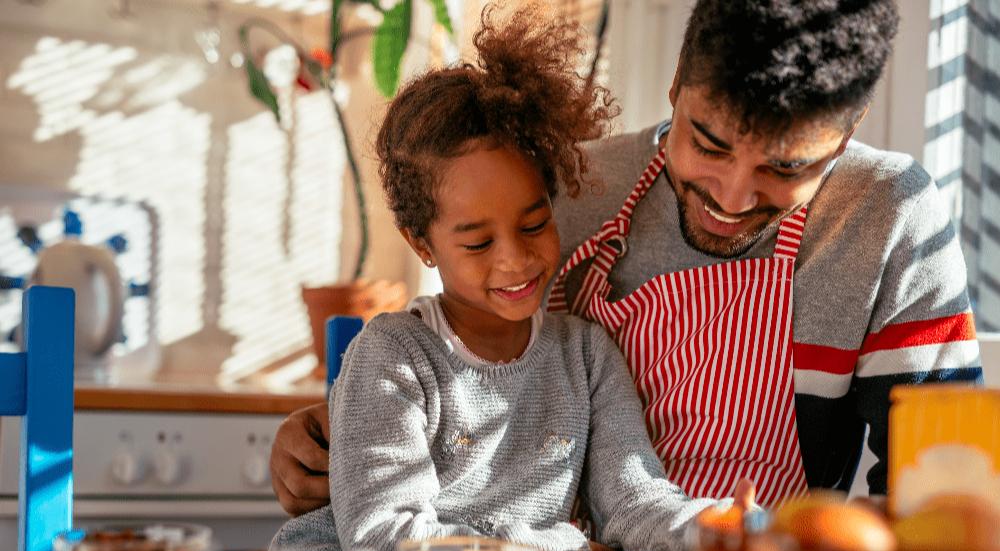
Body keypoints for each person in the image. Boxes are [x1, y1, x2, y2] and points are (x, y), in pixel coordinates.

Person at [271, 0, 983, 516]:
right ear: (677, 81)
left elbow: (943, 492)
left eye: (785, 167)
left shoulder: (890, 219)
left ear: (848, 128)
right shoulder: (561, 196)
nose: (733, 197)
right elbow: (469, 382)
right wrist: (335, 442)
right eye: (707, 143)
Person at [269, 5, 746, 551]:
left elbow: (635, 502)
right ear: (422, 244)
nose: (516, 260)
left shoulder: (586, 356)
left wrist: (724, 532)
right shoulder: (394, 356)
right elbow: (385, 539)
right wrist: (557, 542)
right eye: (477, 244)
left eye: (534, 224)